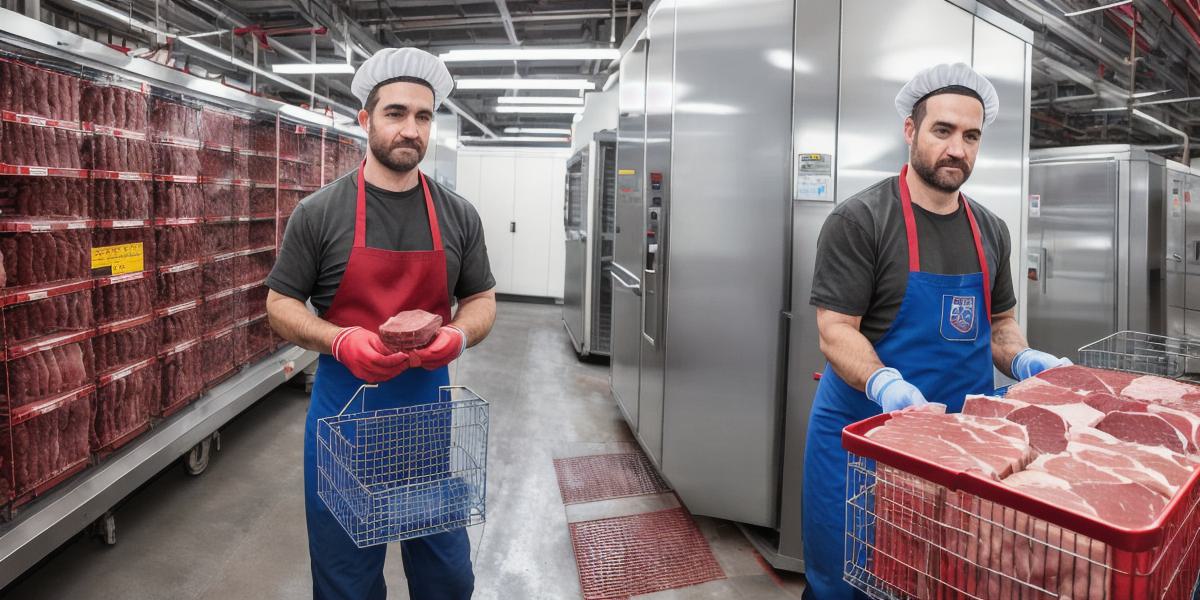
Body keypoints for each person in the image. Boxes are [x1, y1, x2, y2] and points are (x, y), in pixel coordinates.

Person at [799, 63, 1070, 600]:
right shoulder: (862, 220)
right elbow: (835, 332)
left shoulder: (990, 229)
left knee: (946, 581)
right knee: (849, 582)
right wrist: (885, 385)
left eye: (971, 136)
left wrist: (1023, 360)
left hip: (960, 446)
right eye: (942, 130)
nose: (957, 149)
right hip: (867, 441)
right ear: (911, 131)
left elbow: (999, 326)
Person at [264, 47, 496, 600]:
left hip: (428, 426)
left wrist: (459, 334)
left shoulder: (458, 214)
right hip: (343, 424)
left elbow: (483, 299)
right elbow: (280, 304)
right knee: (347, 584)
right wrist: (339, 339)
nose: (410, 129)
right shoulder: (319, 213)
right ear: (365, 120)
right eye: (395, 113)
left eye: (422, 116)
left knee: (448, 580)